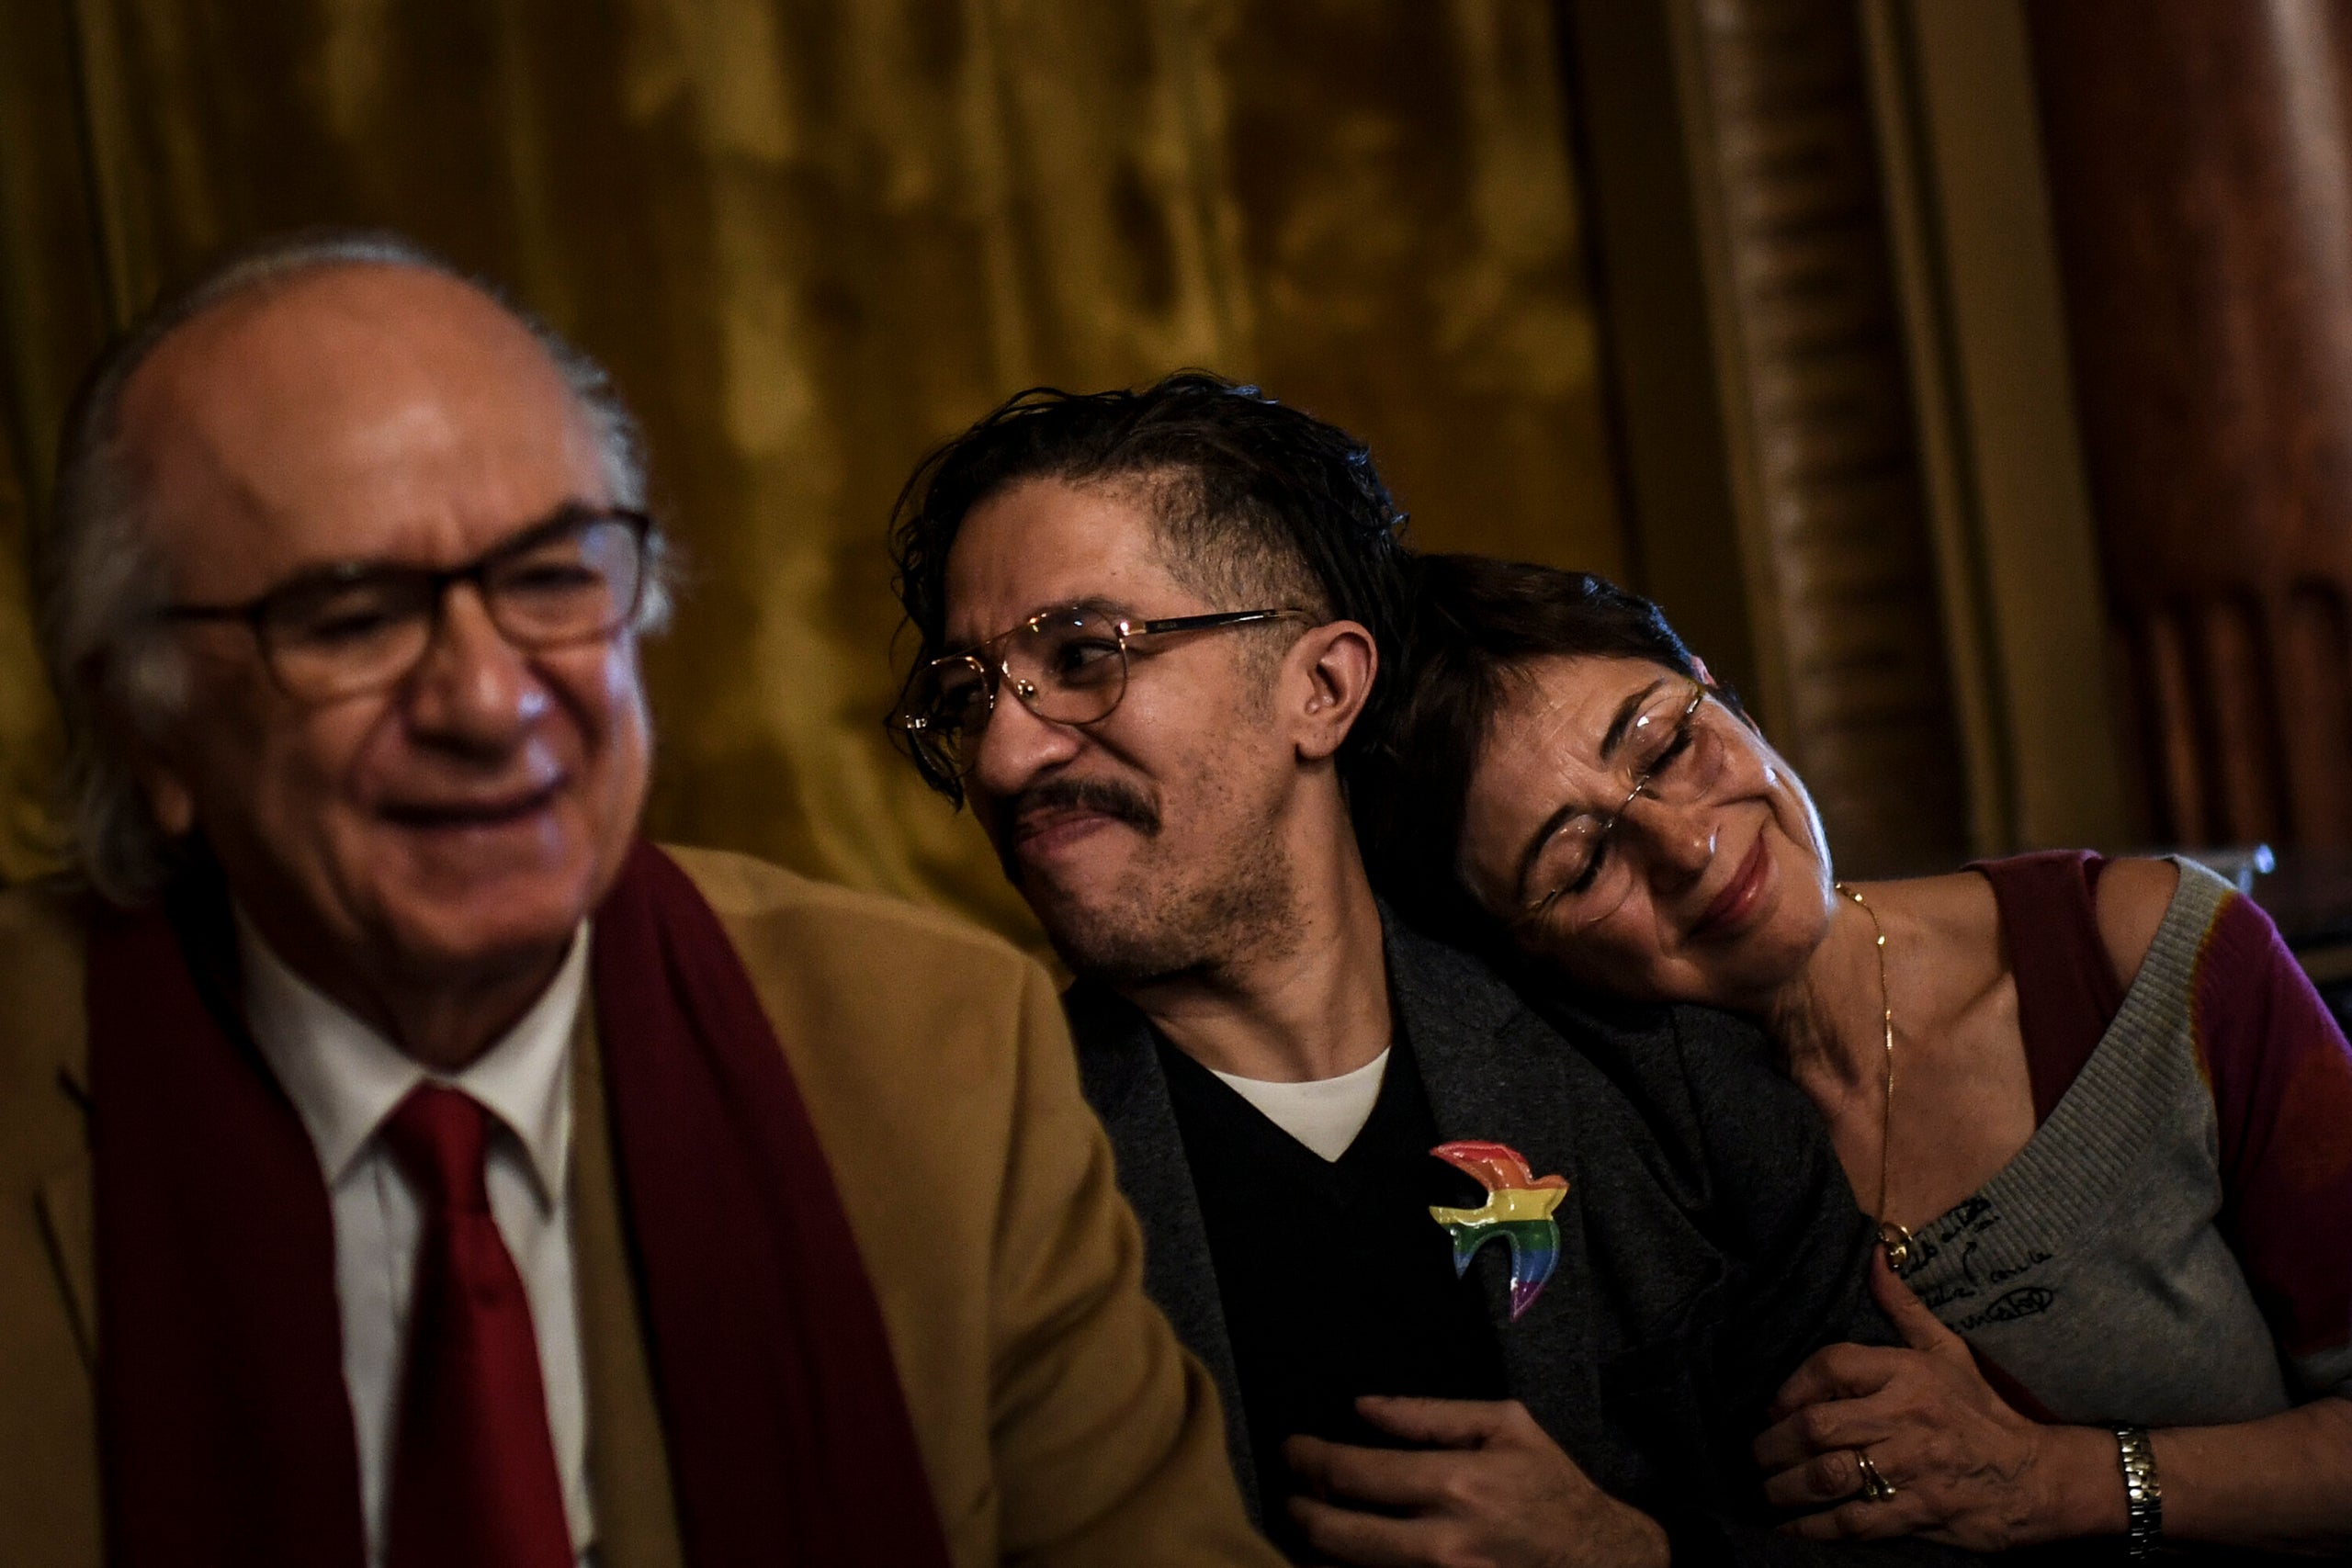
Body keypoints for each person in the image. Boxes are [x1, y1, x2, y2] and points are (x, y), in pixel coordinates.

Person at [0, 231, 1283, 1568]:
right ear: (146, 723)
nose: (490, 702)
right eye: (354, 615)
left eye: (551, 578)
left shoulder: (943, 1058)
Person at [884, 373, 1979, 1566]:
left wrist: (1638, 1555)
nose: (1001, 752)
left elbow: (1934, 1538)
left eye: (1086, 653)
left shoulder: (1668, 1082)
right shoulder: (972, 1179)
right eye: (963, 695)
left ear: (1323, 686)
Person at [1351, 551, 2352, 1557]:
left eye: (1663, 746)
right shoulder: (1609, 1172)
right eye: (1582, 861)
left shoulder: (2142, 954)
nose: (1686, 845)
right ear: (1524, 952)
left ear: (1712, 686)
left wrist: (2062, 1482)